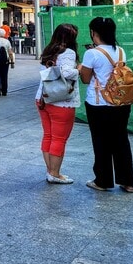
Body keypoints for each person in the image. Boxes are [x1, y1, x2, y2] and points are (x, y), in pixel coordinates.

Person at [79, 16, 133, 193]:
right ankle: (128, 182)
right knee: (121, 140)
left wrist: (81, 67)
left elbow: (86, 79)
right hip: (120, 103)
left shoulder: (91, 53)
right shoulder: (120, 51)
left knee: (101, 142)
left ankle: (102, 181)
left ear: (93, 33)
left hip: (99, 104)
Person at [36, 23, 80, 185]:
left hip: (43, 97)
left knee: (48, 135)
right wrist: (79, 69)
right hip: (61, 101)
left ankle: (50, 171)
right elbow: (67, 72)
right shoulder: (68, 52)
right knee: (60, 138)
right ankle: (55, 173)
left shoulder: (49, 50)